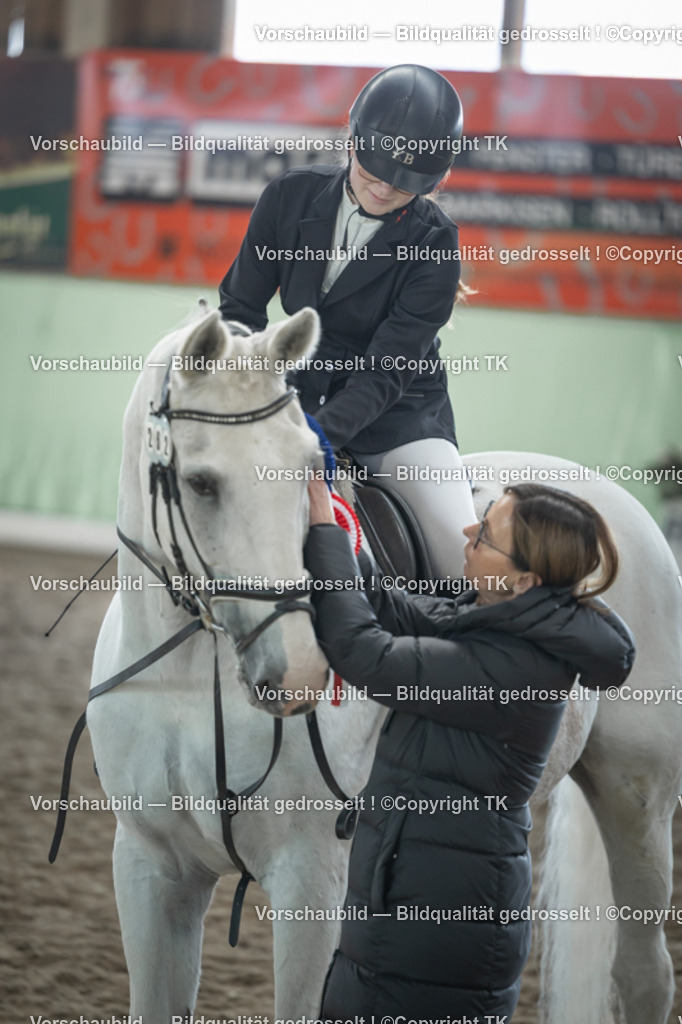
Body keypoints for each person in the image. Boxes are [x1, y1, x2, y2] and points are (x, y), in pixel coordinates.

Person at [303, 479, 636, 1020]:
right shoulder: (493, 618)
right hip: (413, 891)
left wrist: (323, 533)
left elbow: (363, 654)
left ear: (523, 579)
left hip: (440, 921)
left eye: (484, 533)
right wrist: (337, 528)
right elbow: (391, 610)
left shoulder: (517, 667)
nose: (466, 531)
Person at [219, 63, 476, 578]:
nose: (382, 190)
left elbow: (386, 370)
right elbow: (239, 312)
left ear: (436, 178)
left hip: (399, 421)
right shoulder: (288, 198)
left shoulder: (437, 243)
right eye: (373, 171)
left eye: (403, 186)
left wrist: (315, 435)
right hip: (292, 397)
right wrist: (245, 395)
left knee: (460, 559)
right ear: (353, 138)